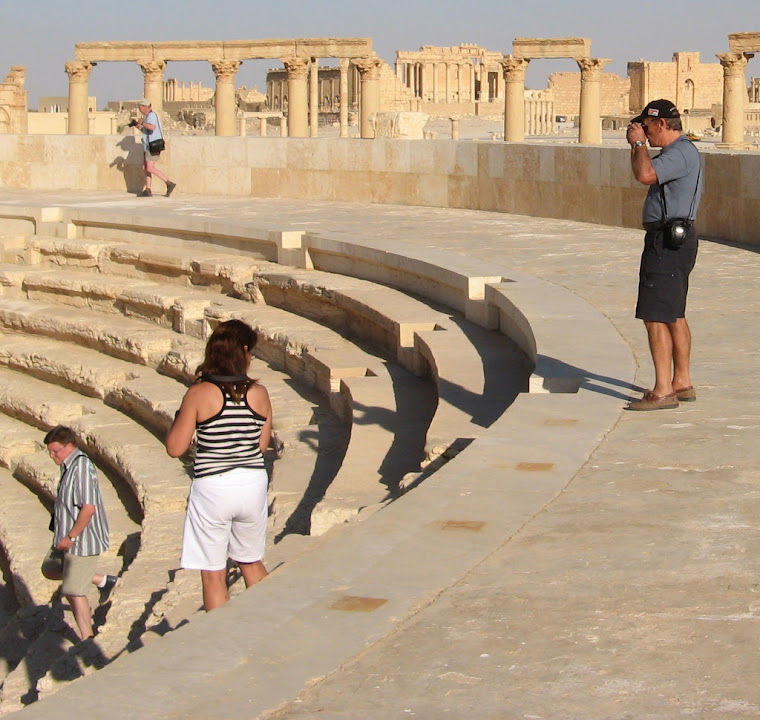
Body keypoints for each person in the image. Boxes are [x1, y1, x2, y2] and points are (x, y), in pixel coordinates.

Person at [166, 319, 272, 611]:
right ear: (244, 351)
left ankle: (221, 640)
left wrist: (182, 416)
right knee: (250, 561)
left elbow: (175, 447)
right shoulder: (259, 393)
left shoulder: (199, 393)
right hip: (251, 483)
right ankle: (267, 620)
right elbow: (261, 446)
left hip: (213, 486)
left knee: (213, 573)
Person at [625, 99, 703, 411]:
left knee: (655, 315)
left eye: (647, 126)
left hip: (667, 243)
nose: (644, 131)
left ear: (661, 124)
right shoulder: (675, 153)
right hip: (674, 239)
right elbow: (641, 171)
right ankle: (681, 382)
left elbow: (645, 175)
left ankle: (662, 390)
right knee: (674, 313)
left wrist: (640, 143)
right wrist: (637, 146)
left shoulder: (681, 152)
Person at [41, 426, 116, 640]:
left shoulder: (81, 467)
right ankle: (102, 581)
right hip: (65, 537)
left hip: (80, 540)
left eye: (56, 451)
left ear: (70, 446)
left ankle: (87, 638)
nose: (52, 455)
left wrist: (71, 537)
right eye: (50, 451)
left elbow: (88, 508)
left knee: (74, 590)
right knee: (50, 568)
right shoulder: (69, 465)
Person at [134, 99, 176, 198]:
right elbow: (146, 130)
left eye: (140, 107)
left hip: (153, 145)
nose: (139, 109)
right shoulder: (148, 116)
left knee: (150, 168)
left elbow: (152, 127)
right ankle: (148, 189)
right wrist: (137, 125)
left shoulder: (151, 116)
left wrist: (142, 123)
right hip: (148, 145)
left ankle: (169, 183)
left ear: (145, 107)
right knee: (146, 168)